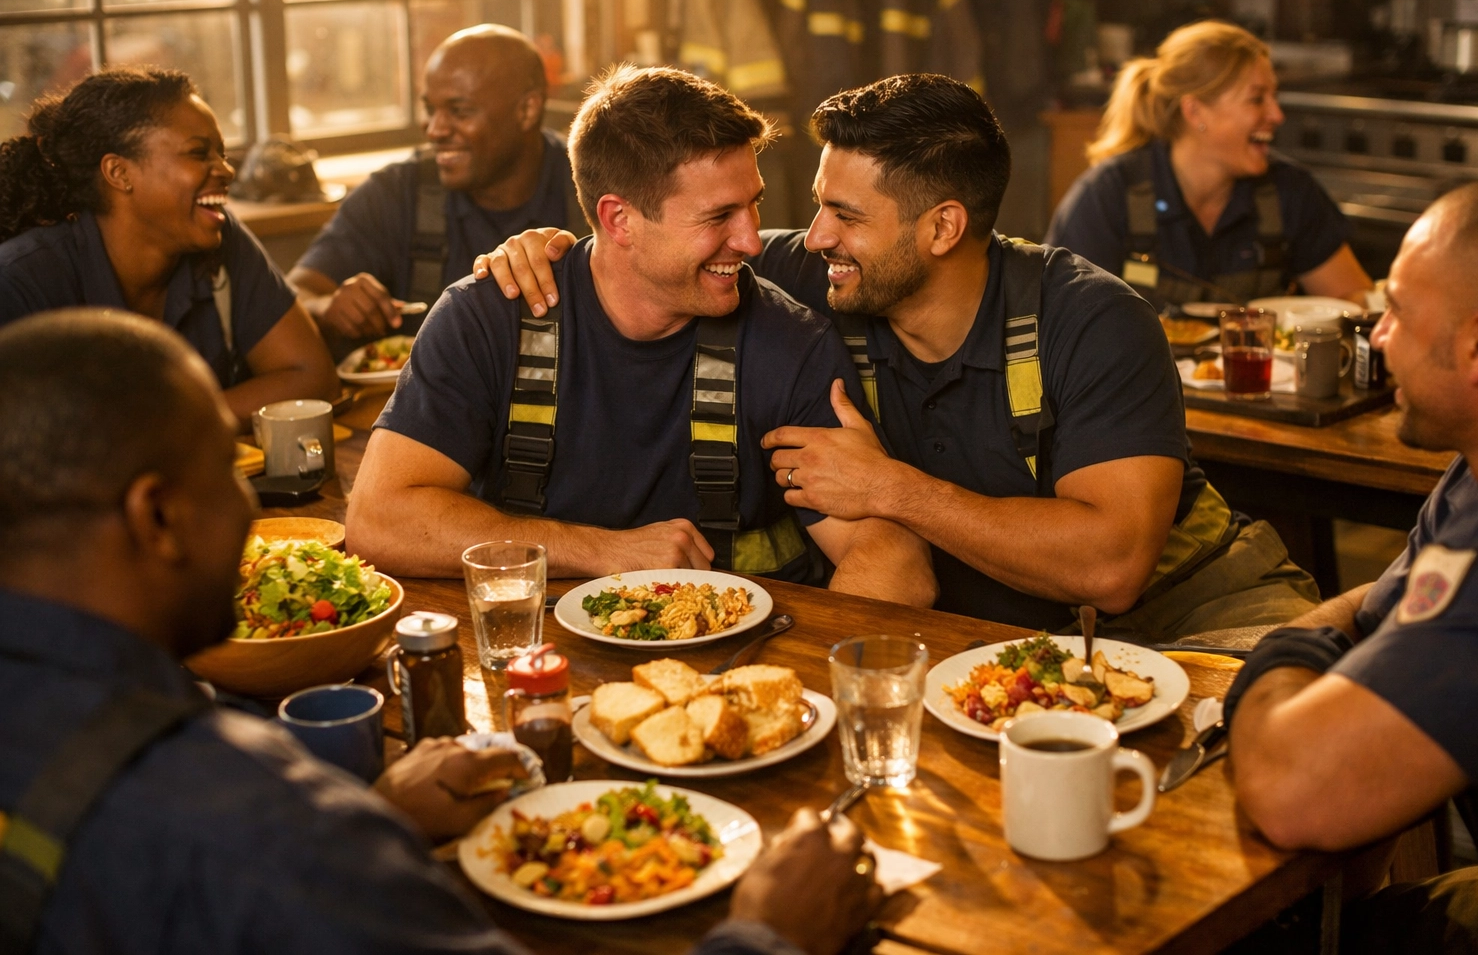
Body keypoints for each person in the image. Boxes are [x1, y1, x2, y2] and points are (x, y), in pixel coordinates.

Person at [0, 309, 884, 955]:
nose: (250, 512)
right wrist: (771, 936)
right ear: (156, 518)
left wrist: (371, 817)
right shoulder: (256, 827)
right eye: (230, 479)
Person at [477, 74, 1318, 639]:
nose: (812, 238)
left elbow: (1112, 566)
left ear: (942, 227)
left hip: (1201, 615)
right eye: (815, 208)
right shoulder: (815, 269)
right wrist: (551, 250)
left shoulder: (1094, 320)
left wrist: (892, 489)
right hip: (1002, 649)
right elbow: (661, 252)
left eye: (846, 215)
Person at [346, 65, 933, 603]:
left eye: (752, 206)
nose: (752, 241)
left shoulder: (790, 345)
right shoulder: (489, 318)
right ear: (618, 219)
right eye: (718, 216)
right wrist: (606, 554)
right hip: (532, 653)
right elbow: (379, 521)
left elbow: (893, 560)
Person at [1224, 180, 1478, 955]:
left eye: (1395, 310)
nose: (1380, 335)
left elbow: (1294, 793)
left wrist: (1278, 652)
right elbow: (1381, 610)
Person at [0, 67, 337, 428]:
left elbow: (312, 378)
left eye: (221, 154)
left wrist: (167, 428)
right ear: (119, 172)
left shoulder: (221, 237)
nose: (226, 170)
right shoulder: (20, 281)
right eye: (199, 153)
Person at [288, 25, 583, 350]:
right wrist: (327, 306)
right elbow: (298, 291)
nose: (435, 130)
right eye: (430, 110)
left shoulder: (590, 187)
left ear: (527, 110)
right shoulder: (397, 192)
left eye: (460, 111)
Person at [1045, 20, 1373, 309]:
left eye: (1274, 97)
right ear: (1195, 112)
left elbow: (1354, 303)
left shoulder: (1290, 192)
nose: (1277, 115)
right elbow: (1061, 328)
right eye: (1257, 99)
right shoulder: (1106, 197)